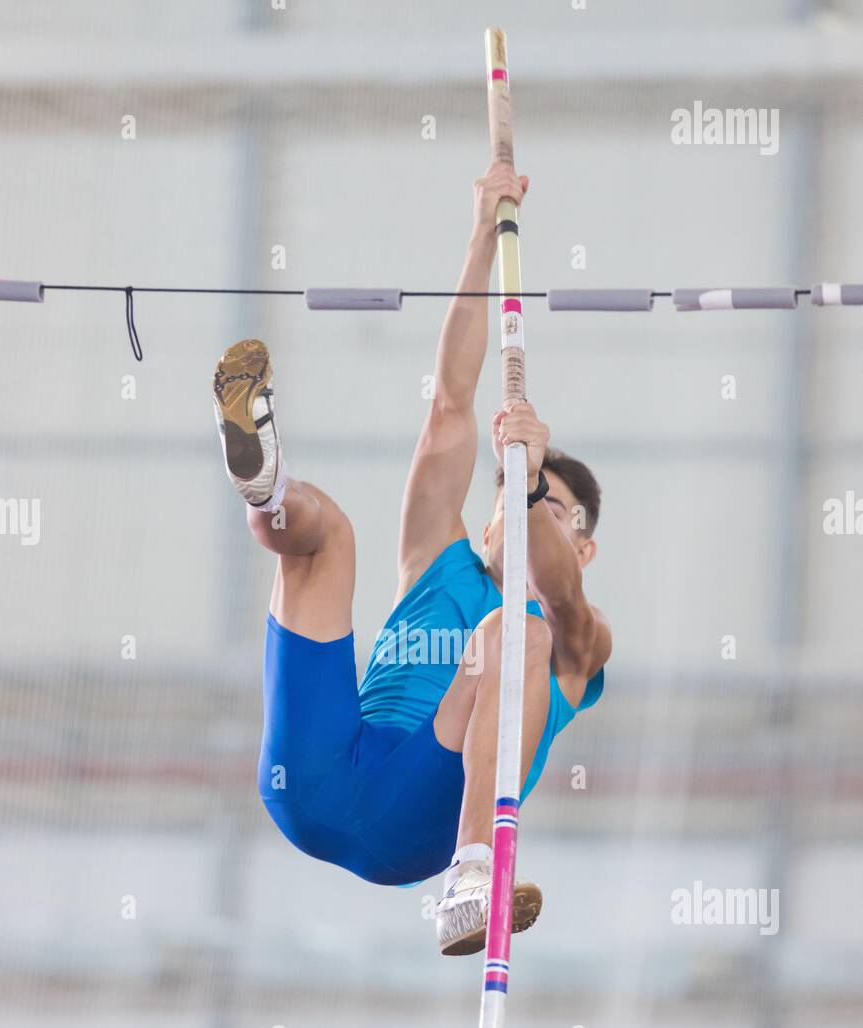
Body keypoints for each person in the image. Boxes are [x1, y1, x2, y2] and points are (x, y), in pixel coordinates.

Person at [212, 163, 611, 956]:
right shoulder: (439, 556)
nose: (519, 507)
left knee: (514, 634)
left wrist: (531, 488)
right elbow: (451, 404)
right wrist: (481, 234)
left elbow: (558, 597)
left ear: (585, 544)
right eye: (509, 494)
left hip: (416, 823)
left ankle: (470, 880)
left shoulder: (577, 647)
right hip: (317, 772)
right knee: (327, 534)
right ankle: (264, 486)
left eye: (550, 508)